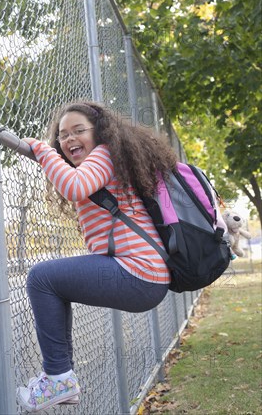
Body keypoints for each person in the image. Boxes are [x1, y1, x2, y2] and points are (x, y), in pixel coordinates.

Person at [17, 101, 177, 412]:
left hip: (139, 274)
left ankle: (58, 378)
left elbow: (75, 187)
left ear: (100, 132)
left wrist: (39, 148)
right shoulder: (101, 163)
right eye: (62, 136)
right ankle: (61, 379)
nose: (69, 140)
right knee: (53, 282)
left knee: (41, 278)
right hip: (144, 276)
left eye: (78, 131)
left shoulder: (104, 154)